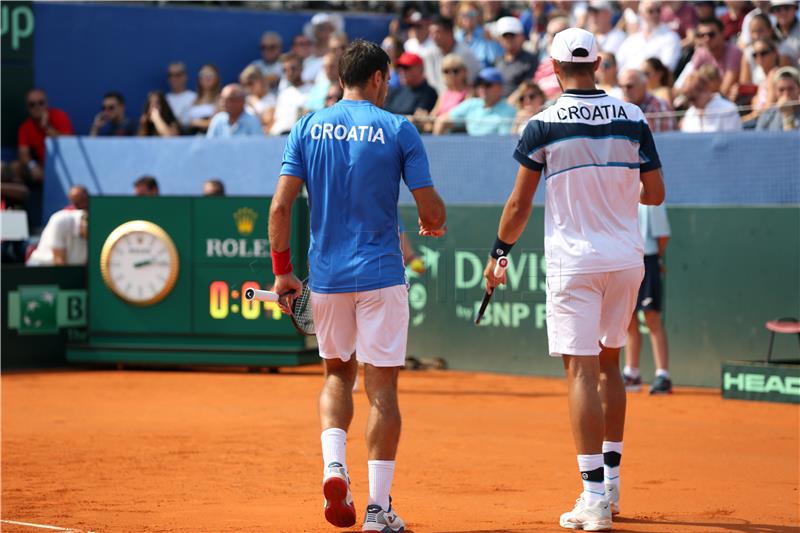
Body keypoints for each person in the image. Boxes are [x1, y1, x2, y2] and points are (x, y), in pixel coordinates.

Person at [482, 28, 664, 530]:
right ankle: (612, 487)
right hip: (627, 260)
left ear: (555, 68)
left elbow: (519, 205)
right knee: (611, 365)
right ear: (599, 63)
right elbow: (655, 193)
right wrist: (613, 186)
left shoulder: (541, 124)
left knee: (581, 372)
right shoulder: (634, 117)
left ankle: (593, 499)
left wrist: (499, 254)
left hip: (575, 263)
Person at [268, 39, 446, 533]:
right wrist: (434, 223)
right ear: (376, 78)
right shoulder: (399, 128)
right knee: (382, 390)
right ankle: (377, 509)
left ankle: (333, 467)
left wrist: (283, 272)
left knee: (335, 376)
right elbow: (431, 212)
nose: (387, 87)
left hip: (325, 279)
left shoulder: (305, 126)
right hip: (381, 275)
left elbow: (281, 208)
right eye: (387, 79)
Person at [625, 203, 672, 394]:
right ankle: (632, 374)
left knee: (652, 318)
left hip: (648, 260)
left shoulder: (652, 197)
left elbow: (663, 236)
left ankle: (663, 375)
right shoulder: (619, 190)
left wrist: (657, 259)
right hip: (625, 261)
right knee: (628, 320)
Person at [13, 88, 74, 228]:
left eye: (40, 103)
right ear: (28, 107)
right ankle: (21, 226)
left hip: (65, 171)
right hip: (41, 171)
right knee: (15, 168)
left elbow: (68, 146)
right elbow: (23, 153)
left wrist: (47, 127)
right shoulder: (25, 127)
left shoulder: (59, 116)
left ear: (47, 103)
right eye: (32, 104)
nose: (37, 107)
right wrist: (32, 166)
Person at [433, 67, 517, 135]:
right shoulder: (471, 104)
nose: (482, 88)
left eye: (487, 84)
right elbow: (442, 121)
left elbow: (503, 143)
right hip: (469, 152)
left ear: (500, 88)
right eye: (479, 84)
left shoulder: (509, 111)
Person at [673, 18, 742, 97]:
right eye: (701, 35)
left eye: (711, 34)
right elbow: (690, 79)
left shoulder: (733, 51)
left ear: (722, 33)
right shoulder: (700, 52)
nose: (706, 39)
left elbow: (727, 86)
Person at [616, 0, 682, 73]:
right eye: (650, 11)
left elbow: (667, 68)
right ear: (641, 14)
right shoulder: (632, 39)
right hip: (626, 80)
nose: (655, 14)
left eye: (658, 10)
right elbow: (618, 63)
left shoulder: (671, 38)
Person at [422, 16, 481, 94]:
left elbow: (472, 80)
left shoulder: (465, 53)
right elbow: (431, 82)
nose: (434, 36)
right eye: (431, 33)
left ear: (450, 32)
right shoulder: (429, 54)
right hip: (438, 98)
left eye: (437, 32)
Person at [384, 52, 438, 119]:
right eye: (399, 68)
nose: (402, 71)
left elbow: (417, 119)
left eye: (406, 68)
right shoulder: (398, 90)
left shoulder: (429, 93)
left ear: (420, 69)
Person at [494, 16, 539, 98]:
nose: (509, 39)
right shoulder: (497, 60)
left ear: (522, 36)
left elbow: (528, 86)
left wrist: (508, 104)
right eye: (505, 36)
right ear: (499, 39)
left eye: (512, 35)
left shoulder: (531, 60)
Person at [270, 53, 311, 135]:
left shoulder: (312, 91)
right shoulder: (283, 94)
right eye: (285, 70)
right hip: (277, 137)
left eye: (293, 68)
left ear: (301, 68)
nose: (289, 72)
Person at [186, 64, 221, 135]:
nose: (206, 78)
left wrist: (195, 123)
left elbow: (217, 122)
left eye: (210, 75)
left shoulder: (221, 98)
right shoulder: (194, 99)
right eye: (203, 75)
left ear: (216, 78)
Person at [239, 65, 277, 130]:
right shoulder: (247, 99)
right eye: (245, 84)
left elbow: (267, 121)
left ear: (261, 80)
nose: (248, 87)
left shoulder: (271, 98)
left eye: (250, 83)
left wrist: (253, 105)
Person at [165, 62, 197, 129]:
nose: (174, 78)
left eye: (178, 74)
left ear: (185, 76)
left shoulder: (194, 97)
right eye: (170, 75)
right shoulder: (165, 99)